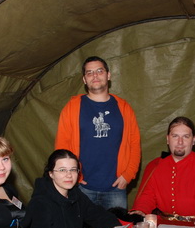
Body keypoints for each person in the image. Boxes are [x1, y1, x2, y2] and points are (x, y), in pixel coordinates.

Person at [19, 149, 123, 228]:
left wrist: (115, 227)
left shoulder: (75, 194)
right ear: (51, 173)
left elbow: (96, 214)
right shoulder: (40, 202)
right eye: (62, 170)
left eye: (73, 170)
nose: (69, 175)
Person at [55, 56, 141, 209]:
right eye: (89, 73)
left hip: (116, 189)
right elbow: (62, 147)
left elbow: (134, 144)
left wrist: (128, 175)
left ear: (108, 75)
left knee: (116, 225)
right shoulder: (72, 108)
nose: (95, 75)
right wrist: (74, 176)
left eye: (99, 71)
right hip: (82, 188)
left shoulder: (124, 108)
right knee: (79, 225)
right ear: (84, 79)